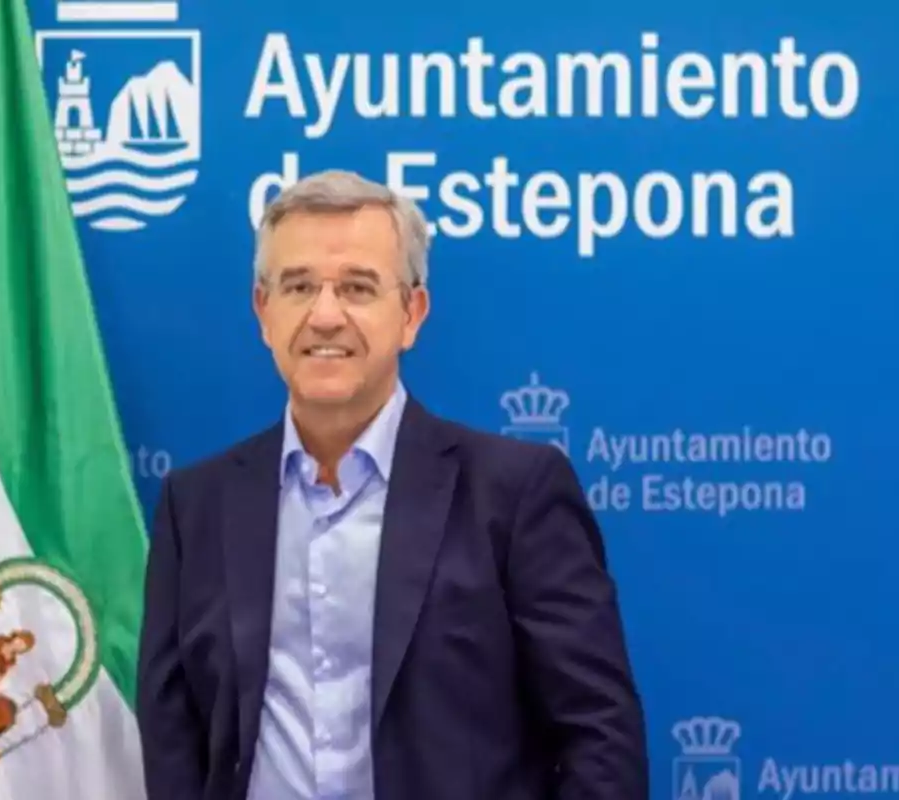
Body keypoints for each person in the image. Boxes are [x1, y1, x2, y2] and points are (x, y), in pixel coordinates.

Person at [136, 170, 649, 799]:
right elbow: (172, 743)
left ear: (412, 313)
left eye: (357, 287)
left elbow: (600, 733)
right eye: (298, 286)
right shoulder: (196, 506)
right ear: (263, 312)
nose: (326, 316)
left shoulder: (514, 494)